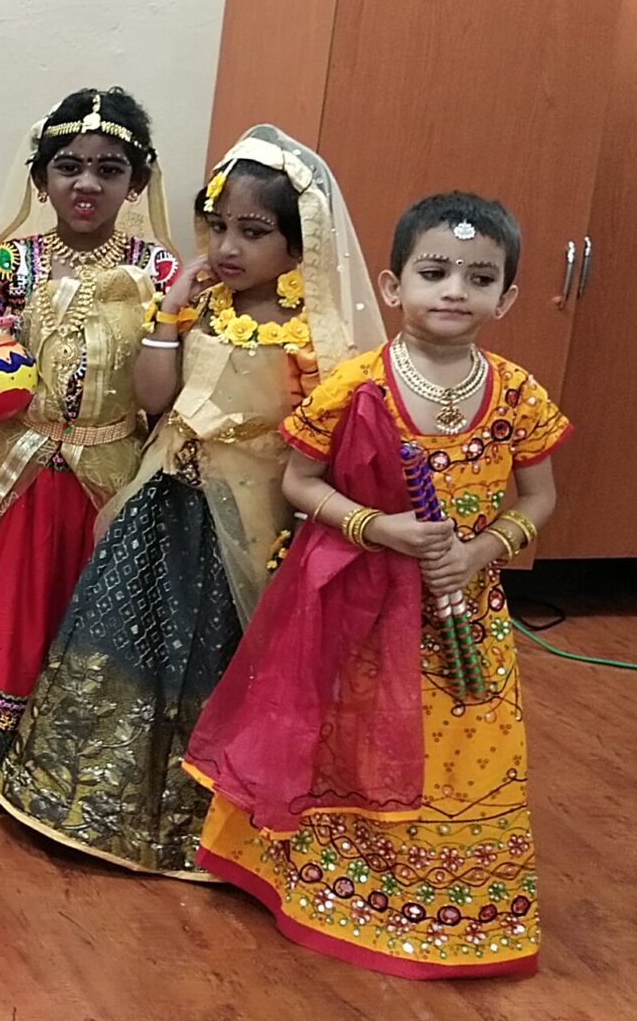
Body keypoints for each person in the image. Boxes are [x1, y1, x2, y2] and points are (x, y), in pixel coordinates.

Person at [184, 192, 565, 979]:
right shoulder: (358, 385)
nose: (454, 290)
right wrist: (377, 527)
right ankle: (340, 891)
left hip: (466, 612)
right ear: (393, 286)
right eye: (435, 272)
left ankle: (450, 904)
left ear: (506, 297)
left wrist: (483, 550)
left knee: (461, 748)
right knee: (356, 741)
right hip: (363, 611)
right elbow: (300, 482)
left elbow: (539, 497)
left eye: (479, 278)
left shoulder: (517, 393)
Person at [0, 125, 383, 876]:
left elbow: (328, 445)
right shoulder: (200, 308)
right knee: (122, 647)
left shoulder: (317, 338)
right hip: (161, 506)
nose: (228, 248)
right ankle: (91, 804)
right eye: (219, 227)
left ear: (299, 247)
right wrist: (170, 311)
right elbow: (154, 398)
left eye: (253, 233)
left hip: (250, 529)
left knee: (219, 661)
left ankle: (203, 827)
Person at [0, 88, 179, 806]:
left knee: (97, 623)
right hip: (22, 470)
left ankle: (68, 784)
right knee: (7, 615)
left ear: (136, 182)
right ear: (41, 179)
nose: (87, 184)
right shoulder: (12, 265)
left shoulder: (161, 274)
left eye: (109, 169)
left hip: (116, 476)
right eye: (69, 167)